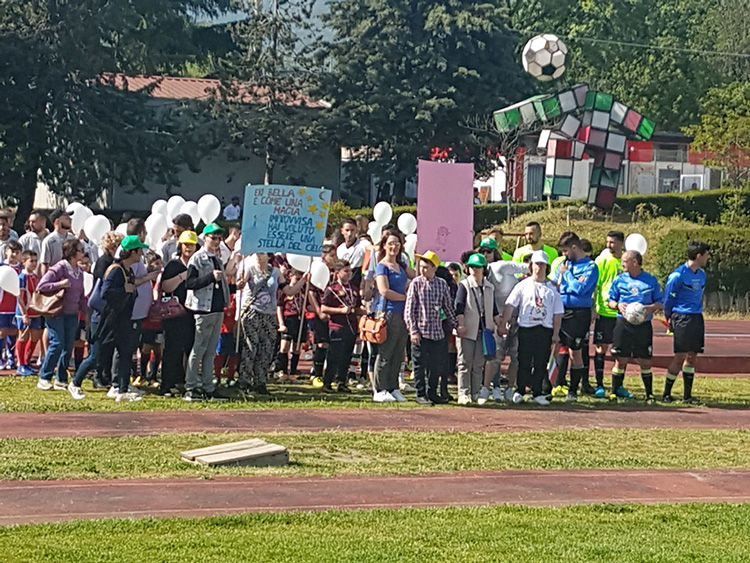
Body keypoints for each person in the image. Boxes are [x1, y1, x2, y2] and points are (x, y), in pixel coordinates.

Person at [501, 251, 564, 405]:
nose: (538, 268)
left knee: (541, 362)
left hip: (544, 328)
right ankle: (520, 390)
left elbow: (557, 313)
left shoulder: (552, 289)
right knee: (524, 360)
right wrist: (503, 323)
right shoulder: (523, 285)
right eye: (536, 264)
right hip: (526, 327)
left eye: (542, 265)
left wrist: (556, 333)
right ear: (531, 266)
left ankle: (538, 392)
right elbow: (510, 305)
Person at [90, 236, 148, 402]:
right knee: (101, 354)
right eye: (139, 250)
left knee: (125, 352)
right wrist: (125, 290)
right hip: (114, 318)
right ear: (132, 252)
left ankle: (121, 389)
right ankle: (79, 382)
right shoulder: (116, 269)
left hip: (124, 317)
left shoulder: (127, 269)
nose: (141, 253)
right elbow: (105, 292)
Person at [238, 252, 305, 394]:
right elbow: (241, 284)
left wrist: (303, 280)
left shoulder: (275, 272)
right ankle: (245, 381)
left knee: (266, 348)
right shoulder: (249, 269)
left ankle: (260, 382)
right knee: (251, 346)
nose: (258, 256)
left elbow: (289, 291)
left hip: (269, 314)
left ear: (268, 256)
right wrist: (240, 281)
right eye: (257, 253)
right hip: (252, 312)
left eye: (262, 253)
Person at [184, 223, 235, 401]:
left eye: (218, 238)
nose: (216, 241)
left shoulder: (217, 259)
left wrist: (234, 288)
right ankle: (190, 386)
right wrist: (209, 277)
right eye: (213, 238)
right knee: (198, 349)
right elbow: (190, 283)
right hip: (203, 309)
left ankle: (208, 385)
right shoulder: (197, 258)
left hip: (216, 308)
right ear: (204, 238)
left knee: (211, 351)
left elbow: (220, 284)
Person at [607, 250, 664, 403]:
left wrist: (650, 308)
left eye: (625, 260)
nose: (622, 263)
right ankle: (615, 392)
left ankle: (649, 394)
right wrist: (618, 305)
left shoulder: (650, 280)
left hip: (643, 325)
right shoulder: (619, 280)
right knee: (620, 359)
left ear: (634, 262)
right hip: (623, 323)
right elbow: (610, 300)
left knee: (645, 360)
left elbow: (660, 302)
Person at [405, 250, 457, 405]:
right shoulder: (416, 283)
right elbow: (409, 309)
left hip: (437, 332)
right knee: (419, 365)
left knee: (437, 365)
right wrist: (413, 330)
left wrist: (454, 325)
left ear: (435, 268)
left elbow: (447, 307)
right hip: (421, 331)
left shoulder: (442, 284)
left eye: (426, 267)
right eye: (420, 266)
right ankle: (420, 393)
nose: (422, 270)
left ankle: (432, 392)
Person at [36, 239, 88, 391]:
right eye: (79, 250)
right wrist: (60, 284)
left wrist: (86, 312)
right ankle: (44, 376)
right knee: (57, 343)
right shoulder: (59, 268)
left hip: (72, 314)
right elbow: (42, 286)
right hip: (56, 312)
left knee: (68, 346)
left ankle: (61, 379)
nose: (83, 253)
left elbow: (81, 294)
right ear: (72, 252)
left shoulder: (79, 272)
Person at [479, 242, 528, 403]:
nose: (485, 254)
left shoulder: (501, 266)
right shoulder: (480, 272)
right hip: (497, 319)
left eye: (489, 251)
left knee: (516, 356)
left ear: (495, 252)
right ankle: (488, 388)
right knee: (494, 356)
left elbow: (526, 267)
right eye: (482, 251)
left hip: (517, 317)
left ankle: (509, 388)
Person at [662, 241, 710, 403]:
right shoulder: (678, 275)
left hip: (696, 317)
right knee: (680, 356)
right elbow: (668, 298)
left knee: (692, 356)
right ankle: (666, 393)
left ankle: (687, 395)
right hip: (681, 317)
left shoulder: (702, 274)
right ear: (699, 256)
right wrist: (668, 317)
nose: (708, 257)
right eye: (706, 254)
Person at [553, 232, 598, 402]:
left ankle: (573, 390)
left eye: (565, 251)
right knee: (556, 345)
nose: (563, 255)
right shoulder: (564, 264)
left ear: (574, 247)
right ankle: (553, 384)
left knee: (576, 350)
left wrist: (568, 276)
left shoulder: (590, 267)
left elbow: (581, 289)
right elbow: (556, 284)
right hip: (561, 309)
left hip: (578, 313)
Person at [454, 253, 500, 405]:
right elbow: (459, 307)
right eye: (472, 266)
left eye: (478, 266)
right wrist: (460, 325)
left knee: (479, 364)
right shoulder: (464, 285)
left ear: (483, 268)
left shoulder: (489, 287)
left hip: (484, 330)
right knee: (464, 362)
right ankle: (463, 392)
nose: (474, 269)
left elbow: (493, 310)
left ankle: (475, 392)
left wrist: (500, 324)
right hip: (467, 330)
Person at [372, 231, 410, 403]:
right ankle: (380, 388)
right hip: (388, 312)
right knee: (386, 352)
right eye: (391, 243)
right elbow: (384, 291)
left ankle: (393, 386)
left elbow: (416, 274)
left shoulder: (401, 265)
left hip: (403, 313)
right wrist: (406, 298)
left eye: (397, 243)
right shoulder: (382, 266)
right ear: (385, 245)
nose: (394, 246)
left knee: (398, 352)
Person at [159, 230, 197, 396]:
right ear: (180, 246)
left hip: (193, 312)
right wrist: (183, 275)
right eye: (186, 244)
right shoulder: (173, 265)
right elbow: (165, 287)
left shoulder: (198, 264)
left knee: (189, 348)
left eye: (192, 245)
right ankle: (167, 384)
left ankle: (182, 381)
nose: (189, 248)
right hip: (174, 314)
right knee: (172, 349)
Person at [320, 260, 363, 393]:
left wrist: (366, 312)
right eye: (346, 271)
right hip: (337, 326)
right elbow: (323, 307)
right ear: (337, 273)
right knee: (334, 356)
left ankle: (341, 382)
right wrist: (340, 311)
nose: (349, 273)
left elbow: (357, 307)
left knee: (346, 356)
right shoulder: (332, 290)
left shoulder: (353, 289)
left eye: (350, 271)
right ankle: (327, 383)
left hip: (351, 327)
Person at [592, 231, 624, 398]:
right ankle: (599, 385)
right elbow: (595, 285)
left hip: (622, 314)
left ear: (621, 243)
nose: (609, 245)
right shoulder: (602, 260)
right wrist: (594, 307)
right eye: (607, 242)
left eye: (612, 242)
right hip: (605, 310)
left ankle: (618, 386)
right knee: (601, 348)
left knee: (621, 351)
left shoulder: (626, 260)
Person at [135, 252, 164, 387]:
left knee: (158, 347)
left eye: (160, 263)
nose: (159, 266)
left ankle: (153, 376)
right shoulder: (146, 280)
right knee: (146, 347)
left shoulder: (162, 280)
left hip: (159, 318)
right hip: (147, 318)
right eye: (156, 264)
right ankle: (142, 375)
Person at [275, 268, 307, 382]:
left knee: (297, 348)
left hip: (300, 319)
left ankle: (293, 373)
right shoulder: (284, 290)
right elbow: (279, 306)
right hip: (288, 319)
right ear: (290, 276)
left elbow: (308, 305)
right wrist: (281, 323)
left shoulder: (304, 290)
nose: (298, 280)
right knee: (284, 347)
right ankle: (282, 372)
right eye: (296, 278)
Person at [14, 250, 43, 376]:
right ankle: (20, 364)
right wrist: (24, 313)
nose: (34, 264)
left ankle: (27, 362)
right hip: (24, 311)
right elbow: (19, 297)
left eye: (36, 261)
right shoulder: (22, 277)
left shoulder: (35, 277)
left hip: (34, 311)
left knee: (35, 336)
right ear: (23, 262)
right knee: (23, 336)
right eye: (31, 261)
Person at [0, 240, 23, 369]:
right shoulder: (1, 267)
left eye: (17, 252)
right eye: (11, 251)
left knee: (13, 332)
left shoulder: (21, 269)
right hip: (2, 304)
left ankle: (10, 357)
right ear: (5, 252)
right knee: (1, 332)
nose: (14, 254)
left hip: (15, 305)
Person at [39, 210, 76, 275]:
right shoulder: (49, 241)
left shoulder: (72, 238)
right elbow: (45, 265)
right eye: (66, 218)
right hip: (57, 278)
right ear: (57, 221)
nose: (70, 220)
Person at [337, 218, 370, 287]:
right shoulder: (340, 249)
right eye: (347, 230)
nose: (349, 233)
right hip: (344, 284)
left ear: (356, 230)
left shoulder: (363, 244)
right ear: (342, 231)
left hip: (357, 282)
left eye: (352, 230)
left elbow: (371, 249)